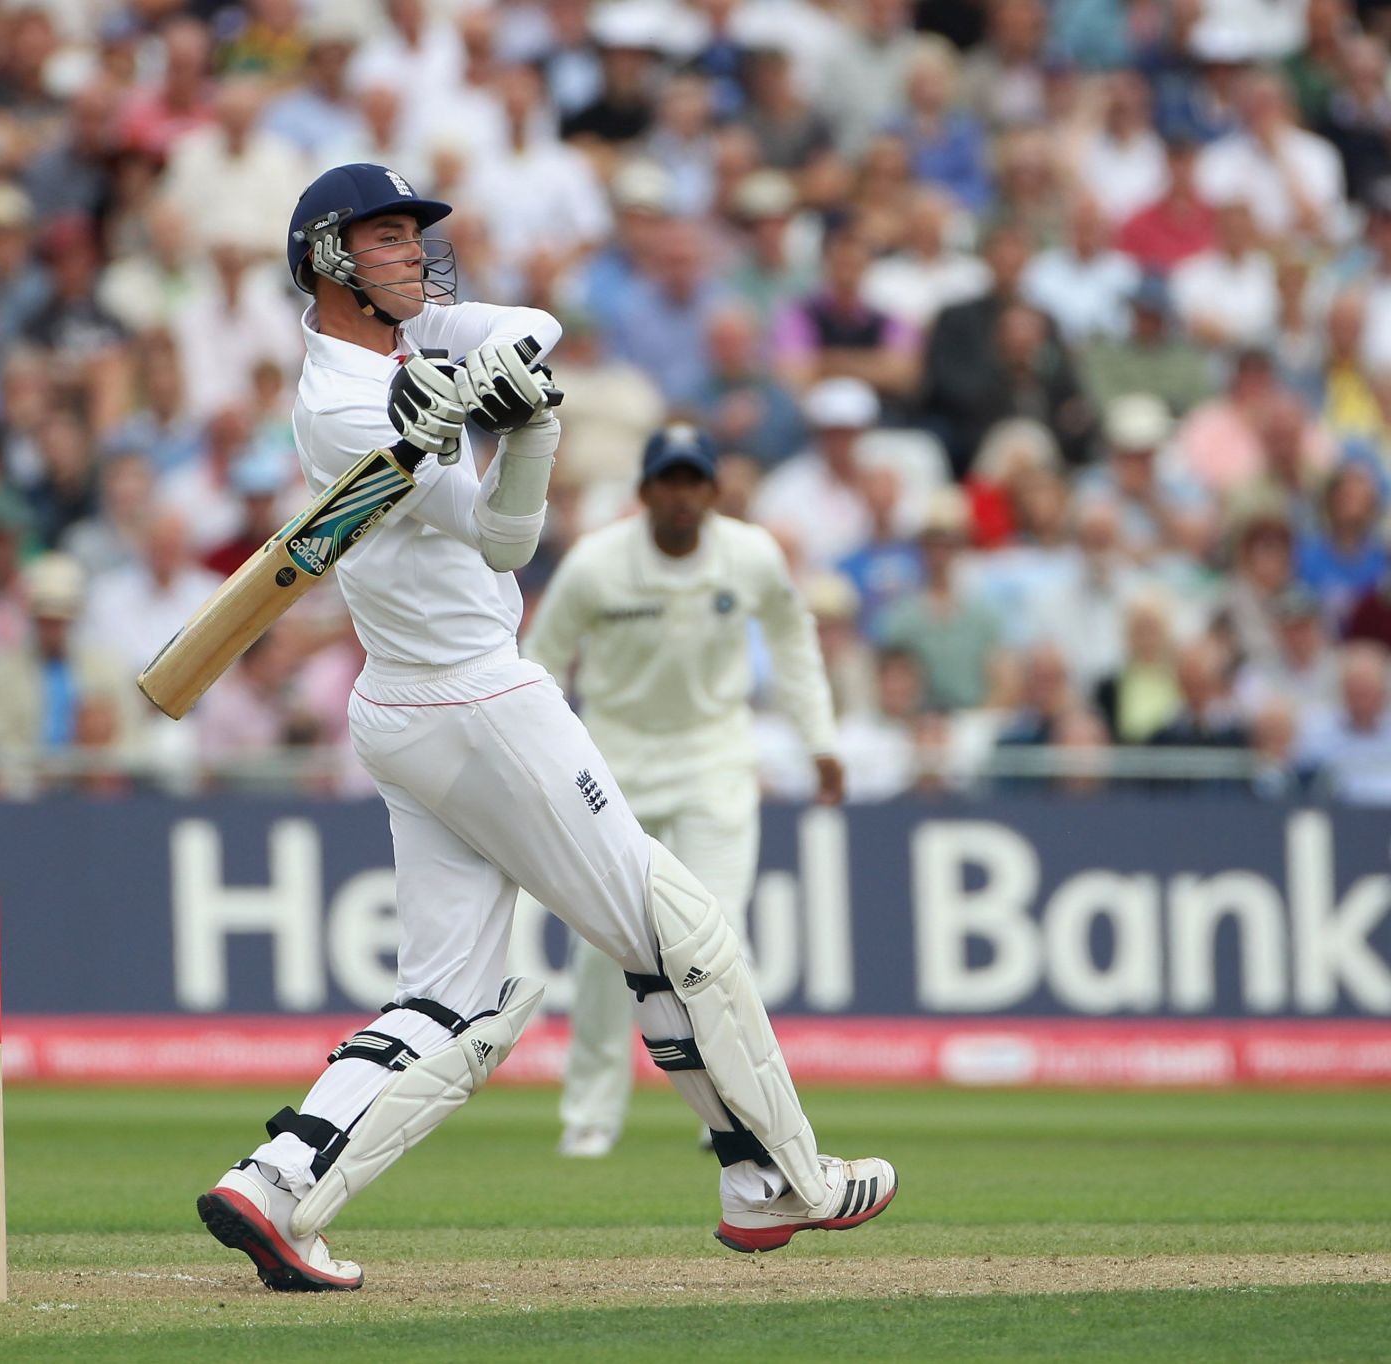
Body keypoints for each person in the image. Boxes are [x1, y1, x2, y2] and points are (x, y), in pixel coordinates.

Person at [197, 163, 893, 1294]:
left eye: (417, 236)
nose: (416, 254)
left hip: (413, 705)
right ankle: (780, 1177)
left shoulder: (410, 351)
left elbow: (508, 530)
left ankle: (279, 1185)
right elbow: (400, 458)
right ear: (327, 259)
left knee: (453, 999)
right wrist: (426, 422)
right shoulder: (338, 402)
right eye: (385, 238)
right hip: (479, 701)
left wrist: (506, 411)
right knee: (680, 933)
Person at [523, 424, 843, 1159]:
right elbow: (539, 664)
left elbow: (793, 643)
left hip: (714, 758)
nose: (681, 496)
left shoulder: (751, 554)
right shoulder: (597, 564)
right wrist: (538, 767)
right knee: (609, 944)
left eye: (693, 482)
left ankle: (730, 1108)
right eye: (667, 481)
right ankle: (592, 1114)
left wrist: (818, 738)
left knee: (715, 934)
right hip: (613, 766)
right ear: (644, 492)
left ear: (712, 491)